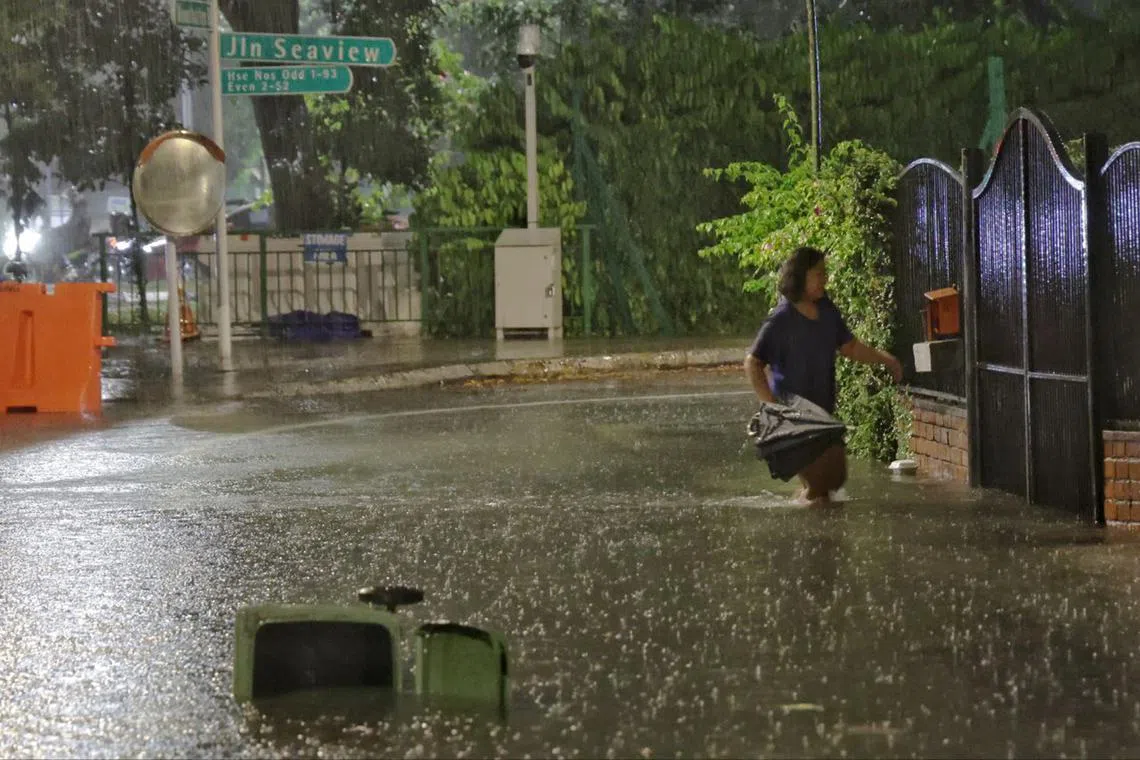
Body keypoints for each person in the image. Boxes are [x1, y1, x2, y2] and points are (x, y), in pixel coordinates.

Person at [745, 246, 903, 505]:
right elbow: (753, 363)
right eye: (819, 273)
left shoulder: (827, 311)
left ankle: (805, 516)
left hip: (824, 414)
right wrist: (772, 409)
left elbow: (850, 347)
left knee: (836, 479)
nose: (825, 279)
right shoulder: (781, 318)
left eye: (825, 273)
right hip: (795, 418)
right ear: (800, 275)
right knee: (819, 488)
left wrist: (886, 359)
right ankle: (811, 525)